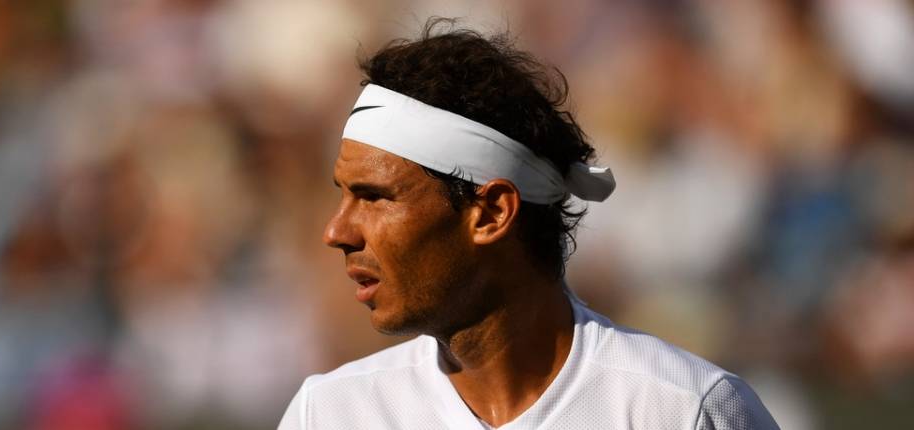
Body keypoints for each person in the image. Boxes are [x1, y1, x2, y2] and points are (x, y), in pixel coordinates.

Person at [279, 19, 779, 430]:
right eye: (343, 194)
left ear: (492, 212)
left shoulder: (683, 409)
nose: (336, 232)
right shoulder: (327, 413)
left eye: (373, 197)